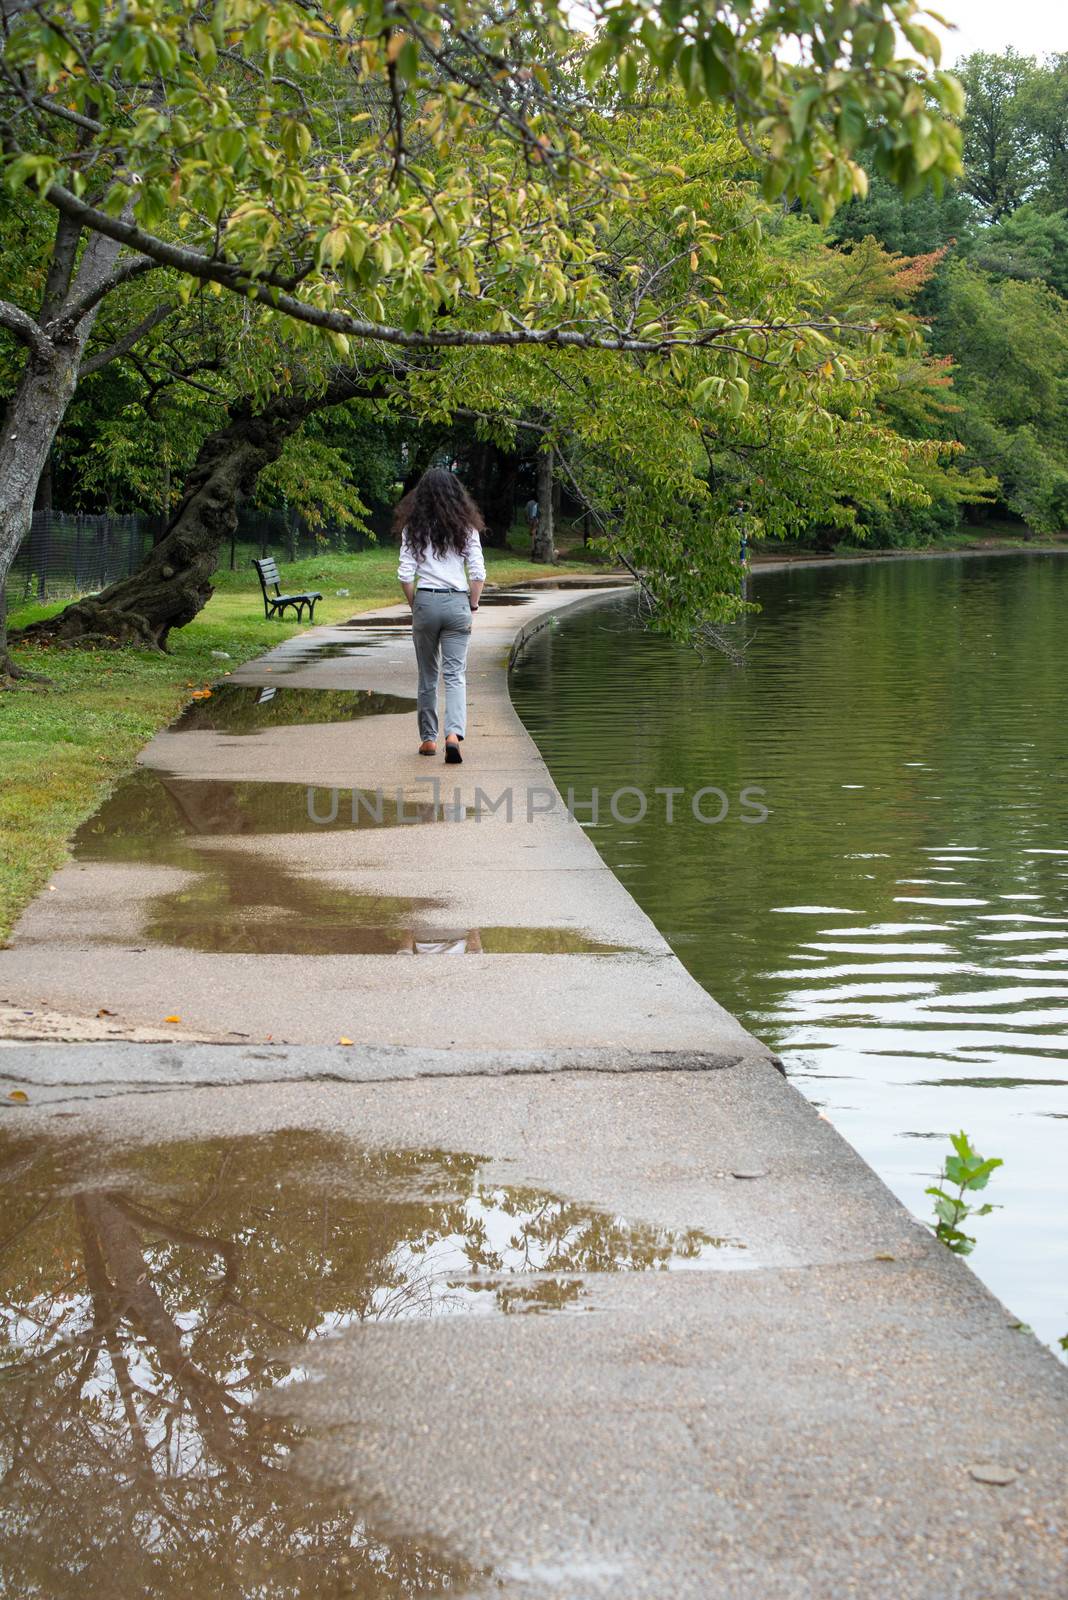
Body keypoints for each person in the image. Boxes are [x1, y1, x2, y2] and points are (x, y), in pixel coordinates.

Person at [396, 468, 486, 764]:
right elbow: (478, 574)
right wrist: (472, 604)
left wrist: (415, 604)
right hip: (457, 604)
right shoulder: (467, 528)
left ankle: (427, 739)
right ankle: (453, 735)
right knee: (455, 674)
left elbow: (405, 575)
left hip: (426, 602)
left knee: (427, 674)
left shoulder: (414, 528)